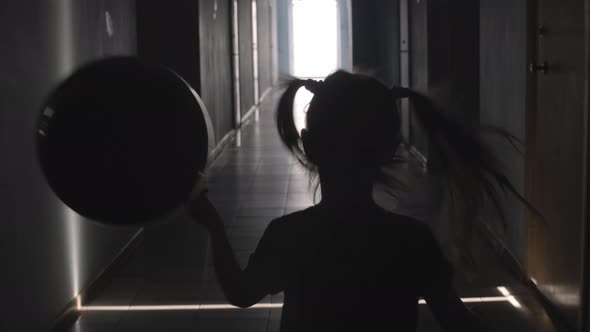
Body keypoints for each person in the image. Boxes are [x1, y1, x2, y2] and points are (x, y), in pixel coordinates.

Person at [188, 71, 531, 331]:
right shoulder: (411, 240)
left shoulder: (290, 235)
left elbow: (241, 292)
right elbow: (456, 320)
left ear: (309, 145)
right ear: (389, 148)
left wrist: (214, 226)